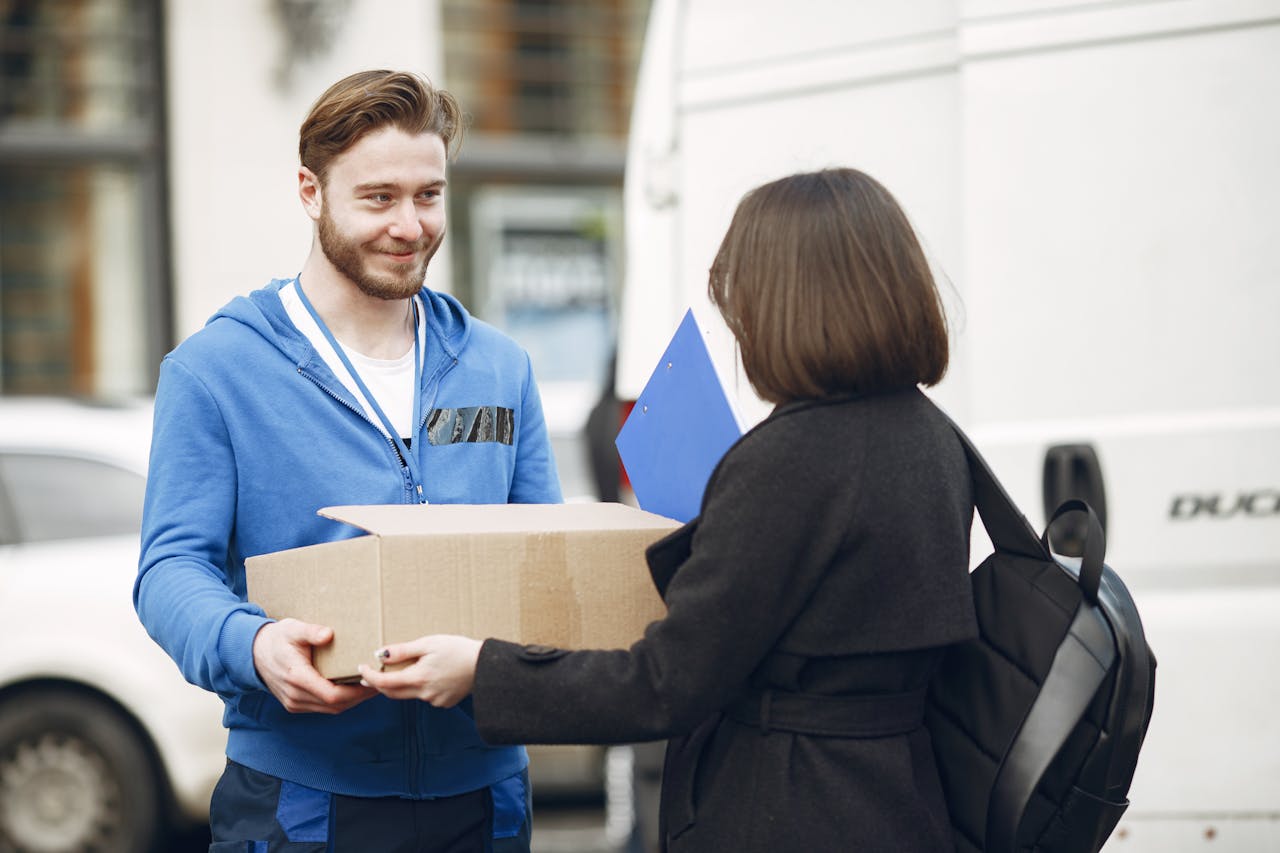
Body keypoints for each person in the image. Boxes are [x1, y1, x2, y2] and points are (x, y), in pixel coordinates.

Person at [358, 168, 979, 852]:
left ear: (784, 305)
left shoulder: (788, 460)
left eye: (740, 306)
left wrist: (483, 668)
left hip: (793, 809)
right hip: (904, 801)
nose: (740, 332)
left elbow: (664, 683)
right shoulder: (934, 438)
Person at [134, 69, 561, 852]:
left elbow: (547, 563)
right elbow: (169, 569)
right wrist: (252, 645)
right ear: (310, 190)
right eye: (379, 198)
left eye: (429, 195)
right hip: (301, 796)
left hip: (485, 793)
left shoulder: (501, 367)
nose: (409, 225)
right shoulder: (214, 370)